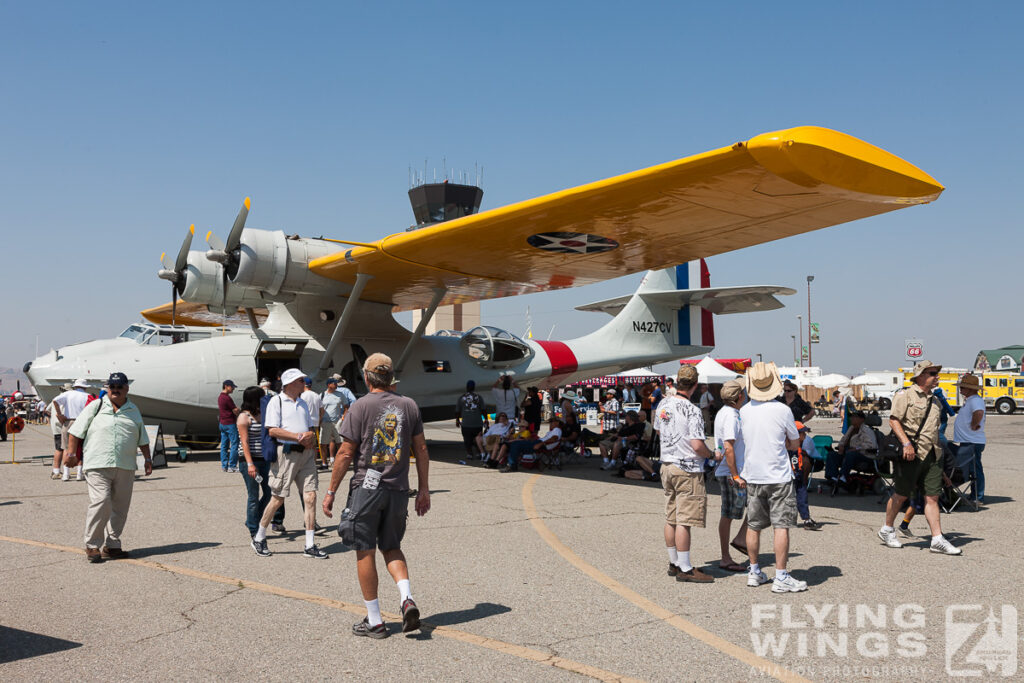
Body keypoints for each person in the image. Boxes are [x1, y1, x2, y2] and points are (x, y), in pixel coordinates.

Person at [323, 352, 431, 638]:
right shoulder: (409, 405)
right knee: (392, 546)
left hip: (367, 490)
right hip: (398, 491)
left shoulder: (360, 406)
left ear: (368, 376)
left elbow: (345, 452)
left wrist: (331, 490)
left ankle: (375, 620)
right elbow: (420, 449)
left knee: (365, 549)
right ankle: (406, 598)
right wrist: (423, 489)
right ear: (389, 376)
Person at [877, 360, 961, 555]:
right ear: (921, 375)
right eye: (933, 373)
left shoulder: (937, 401)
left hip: (933, 454)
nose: (937, 377)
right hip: (910, 453)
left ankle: (937, 539)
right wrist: (906, 443)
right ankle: (887, 529)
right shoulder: (905, 395)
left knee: (932, 496)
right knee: (901, 494)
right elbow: (893, 420)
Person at [737, 362, 808, 593]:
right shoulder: (782, 410)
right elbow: (794, 441)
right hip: (777, 473)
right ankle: (781, 575)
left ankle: (754, 571)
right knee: (781, 525)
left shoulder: (745, 410)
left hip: (753, 473)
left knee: (754, 525)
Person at [67, 372, 151, 563]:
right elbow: (76, 431)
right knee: (102, 501)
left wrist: (147, 459)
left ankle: (112, 545)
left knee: (121, 507)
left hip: (125, 464)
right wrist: (71, 454)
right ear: (107, 389)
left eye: (119, 387)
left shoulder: (133, 409)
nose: (115, 390)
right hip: (97, 463)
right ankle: (92, 545)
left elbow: (142, 437)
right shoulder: (96, 406)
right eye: (111, 387)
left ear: (126, 389)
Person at [249, 368, 327, 560]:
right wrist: (297, 437)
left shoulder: (302, 402)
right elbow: (273, 430)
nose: (304, 383)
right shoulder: (277, 402)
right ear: (290, 383)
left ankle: (309, 544)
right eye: (301, 380)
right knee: (278, 498)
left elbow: (309, 428)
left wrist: (309, 437)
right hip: (286, 453)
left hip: (306, 454)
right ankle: (259, 537)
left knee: (310, 496)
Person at [655, 365, 714, 583]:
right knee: (684, 520)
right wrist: (711, 455)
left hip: (667, 464)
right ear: (695, 385)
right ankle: (686, 568)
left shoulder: (664, 403)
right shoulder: (692, 410)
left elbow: (659, 430)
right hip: (687, 467)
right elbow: (697, 445)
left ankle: (674, 561)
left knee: (671, 516)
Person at [712, 378, 749, 572]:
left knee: (755, 506)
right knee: (729, 514)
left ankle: (740, 540)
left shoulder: (724, 412)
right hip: (731, 471)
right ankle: (726, 555)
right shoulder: (732, 415)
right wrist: (735, 475)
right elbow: (728, 446)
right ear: (740, 396)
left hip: (730, 470)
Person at [237, 386, 275, 539]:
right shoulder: (244, 417)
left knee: (270, 493)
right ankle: (254, 529)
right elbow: (244, 442)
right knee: (253, 495)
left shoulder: (262, 413)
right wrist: (250, 464)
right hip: (250, 461)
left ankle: (252, 519)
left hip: (264, 459)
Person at [953, 373, 986, 503]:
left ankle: (978, 496)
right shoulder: (971, 400)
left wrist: (974, 424)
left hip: (972, 441)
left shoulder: (976, 400)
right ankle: (976, 494)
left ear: (971, 388)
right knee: (972, 468)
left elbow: (978, 412)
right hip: (969, 441)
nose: (960, 389)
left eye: (963, 387)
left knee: (975, 469)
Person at [53, 379, 93, 481]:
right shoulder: (88, 396)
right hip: (82, 422)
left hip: (69, 421)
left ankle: (66, 474)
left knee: (66, 447)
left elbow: (55, 401)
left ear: (75, 386)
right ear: (85, 387)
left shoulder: (68, 394)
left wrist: (59, 414)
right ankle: (79, 473)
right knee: (81, 447)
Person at [826, 410, 878, 484]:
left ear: (862, 419)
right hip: (848, 453)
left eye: (855, 417)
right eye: (852, 417)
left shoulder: (867, 430)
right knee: (832, 455)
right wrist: (841, 446)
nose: (852, 418)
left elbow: (871, 445)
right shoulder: (851, 428)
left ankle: (843, 476)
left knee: (850, 454)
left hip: (864, 455)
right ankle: (833, 477)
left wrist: (856, 448)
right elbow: (843, 440)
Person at [790, 422, 822, 530]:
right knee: (789, 498)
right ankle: (789, 519)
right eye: (803, 433)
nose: (805, 435)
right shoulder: (788, 446)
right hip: (789, 476)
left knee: (802, 496)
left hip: (798, 475)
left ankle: (806, 518)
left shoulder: (800, 445)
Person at [455, 380, 488, 465]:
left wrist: (457, 420)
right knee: (477, 439)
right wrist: (486, 419)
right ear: (474, 387)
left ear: (467, 387)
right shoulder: (479, 397)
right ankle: (478, 453)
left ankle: (469, 453)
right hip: (477, 422)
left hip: (466, 423)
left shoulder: (462, 397)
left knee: (467, 440)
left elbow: (457, 410)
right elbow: (483, 409)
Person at [320, 378, 347, 467]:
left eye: (336, 383)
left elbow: (346, 406)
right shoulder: (322, 395)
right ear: (328, 385)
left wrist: (343, 417)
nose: (336, 385)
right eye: (334, 383)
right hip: (325, 422)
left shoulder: (340, 395)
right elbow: (319, 409)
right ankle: (324, 463)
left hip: (337, 422)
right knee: (323, 443)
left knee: (340, 442)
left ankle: (341, 462)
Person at [218, 380, 240, 473]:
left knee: (224, 445)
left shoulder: (220, 397)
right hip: (230, 423)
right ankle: (232, 466)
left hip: (222, 423)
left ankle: (224, 465)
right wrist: (239, 410)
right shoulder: (227, 398)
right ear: (226, 386)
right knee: (234, 444)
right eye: (232, 387)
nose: (233, 389)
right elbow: (235, 410)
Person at [300, 377, 322, 465]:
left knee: (305, 443)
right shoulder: (317, 395)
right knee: (314, 444)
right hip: (316, 422)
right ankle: (314, 462)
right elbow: (322, 410)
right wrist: (319, 419)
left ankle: (305, 463)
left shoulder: (302, 395)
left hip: (306, 423)